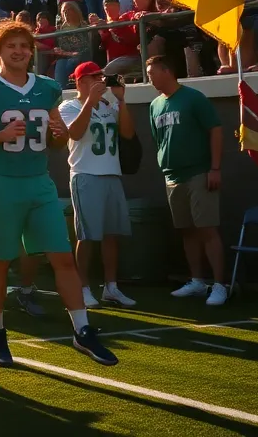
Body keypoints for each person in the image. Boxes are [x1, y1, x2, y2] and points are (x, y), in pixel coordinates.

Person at [0, 21, 116, 368]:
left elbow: (56, 139)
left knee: (62, 257)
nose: (19, 51)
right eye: (12, 45)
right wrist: (0, 135)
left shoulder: (46, 88)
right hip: (0, 181)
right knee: (0, 260)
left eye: (24, 46)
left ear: (32, 51)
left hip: (39, 180)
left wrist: (59, 133)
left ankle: (82, 330)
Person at [146, 56, 227, 306]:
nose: (149, 78)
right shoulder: (155, 105)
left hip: (198, 173)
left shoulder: (193, 98)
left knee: (207, 229)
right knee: (187, 231)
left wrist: (214, 168)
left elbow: (215, 129)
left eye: (151, 73)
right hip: (172, 176)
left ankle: (220, 285)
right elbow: (158, 139)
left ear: (167, 70)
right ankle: (197, 281)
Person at [59, 63, 137, 309]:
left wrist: (121, 101)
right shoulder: (69, 106)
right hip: (86, 174)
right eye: (94, 77)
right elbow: (74, 133)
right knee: (87, 236)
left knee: (111, 235)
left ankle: (111, 287)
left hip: (111, 174)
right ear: (81, 81)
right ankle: (82, 288)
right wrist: (89, 102)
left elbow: (127, 133)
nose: (100, 81)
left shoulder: (109, 105)